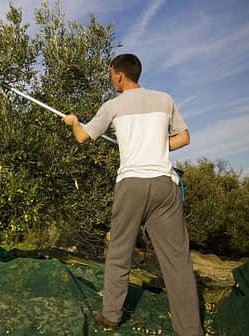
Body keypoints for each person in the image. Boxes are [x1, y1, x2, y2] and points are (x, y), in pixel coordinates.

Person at [62, 54, 203, 336]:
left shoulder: (112, 106)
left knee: (119, 252)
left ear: (119, 75)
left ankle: (112, 317)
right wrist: (155, 144)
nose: (110, 78)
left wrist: (73, 121)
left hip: (132, 184)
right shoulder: (165, 99)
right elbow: (184, 137)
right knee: (177, 260)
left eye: (110, 73)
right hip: (164, 184)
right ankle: (190, 330)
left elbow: (82, 137)